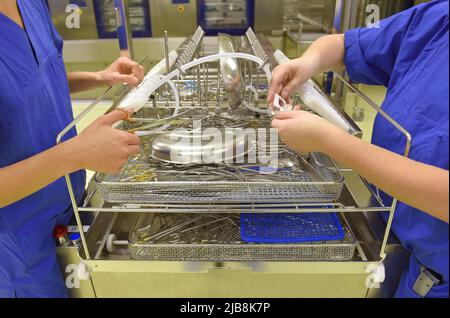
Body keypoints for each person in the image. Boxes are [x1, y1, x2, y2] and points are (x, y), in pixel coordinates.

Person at [268, 0, 449, 298]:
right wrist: (306, 64)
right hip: (400, 242)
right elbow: (344, 45)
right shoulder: (438, 19)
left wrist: (330, 141)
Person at [0, 0, 144, 297]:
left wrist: (99, 78)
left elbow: (34, 81)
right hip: (16, 247)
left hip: (68, 204)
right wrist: (73, 154)